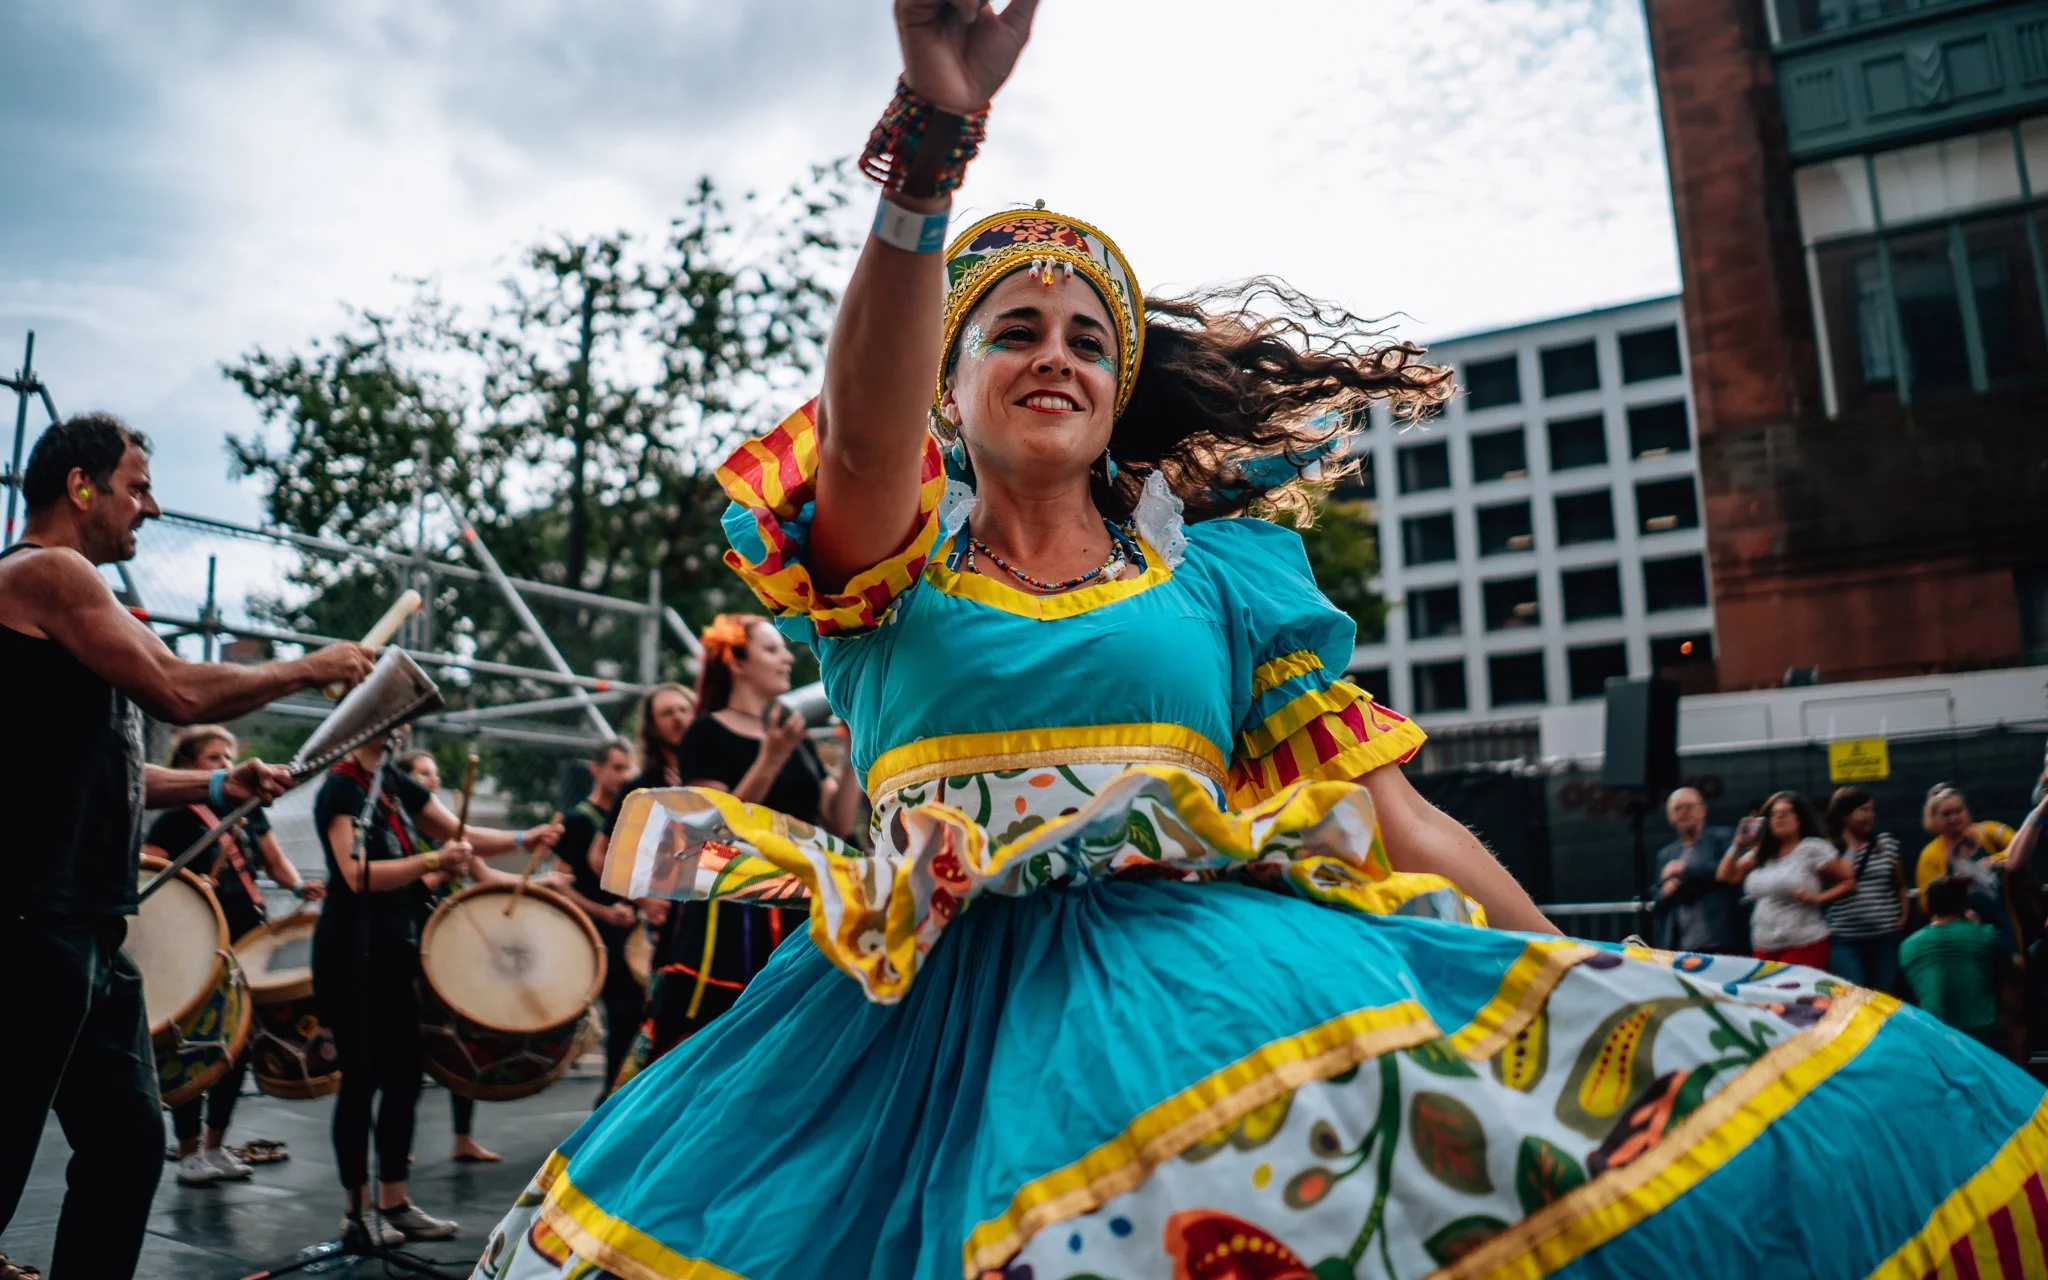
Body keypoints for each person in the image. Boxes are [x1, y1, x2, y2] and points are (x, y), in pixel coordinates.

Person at [471, 8, 2048, 1275]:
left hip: (1219, 991)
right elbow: (859, 430)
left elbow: (1394, 814)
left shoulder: (1220, 581)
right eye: (1011, 330)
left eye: (1090, 338)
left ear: (1116, 394)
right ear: (947, 394)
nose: (1056, 355)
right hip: (906, 1043)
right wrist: (932, 151)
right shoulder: (889, 568)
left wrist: (1546, 963)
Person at [0, 413, 372, 1280]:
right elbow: (176, 690)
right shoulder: (47, 572)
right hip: (29, 920)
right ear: (79, 487)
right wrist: (307, 667)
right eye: (136, 486)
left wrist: (215, 786)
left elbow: (111, 772)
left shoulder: (83, 597)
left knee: (130, 1145)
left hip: (87, 928)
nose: (152, 507)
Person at [315, 734, 561, 1247]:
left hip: (398, 948)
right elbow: (354, 873)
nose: (404, 730)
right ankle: (356, 1215)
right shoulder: (341, 786)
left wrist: (523, 838)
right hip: (349, 952)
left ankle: (395, 1203)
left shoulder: (395, 784)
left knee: (404, 1077)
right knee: (361, 1081)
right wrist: (432, 863)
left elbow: (459, 834)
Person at [614, 616, 859, 1086]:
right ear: (738, 662)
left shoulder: (797, 739)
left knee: (793, 1044)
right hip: (735, 913)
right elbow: (713, 831)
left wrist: (852, 752)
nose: (788, 657)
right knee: (716, 1041)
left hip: (799, 905)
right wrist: (769, 758)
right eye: (772, 650)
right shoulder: (707, 734)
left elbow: (838, 823)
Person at [143, 725, 326, 1187]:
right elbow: (149, 873)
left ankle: (215, 1145)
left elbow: (272, 858)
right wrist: (186, 883)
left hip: (244, 941)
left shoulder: (248, 812)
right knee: (195, 1046)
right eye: (212, 758)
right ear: (187, 767)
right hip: (197, 944)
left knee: (236, 1045)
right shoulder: (174, 819)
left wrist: (295, 885)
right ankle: (186, 1151)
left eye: (228, 756)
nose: (225, 764)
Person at [393, 748, 500, 1165]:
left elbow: (487, 877)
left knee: (462, 1038)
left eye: (435, 773)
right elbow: (405, 885)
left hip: (454, 947)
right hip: (413, 941)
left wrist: (545, 881)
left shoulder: (449, 836)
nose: (432, 780)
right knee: (410, 1048)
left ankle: (463, 1138)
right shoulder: (400, 831)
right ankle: (397, 1144)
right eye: (422, 773)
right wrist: (442, 870)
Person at [545, 739, 643, 1102]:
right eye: (616, 768)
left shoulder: (631, 816)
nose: (623, 776)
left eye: (627, 769)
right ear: (596, 770)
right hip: (596, 930)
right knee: (621, 1014)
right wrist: (604, 912)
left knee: (632, 1015)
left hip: (630, 927)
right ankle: (611, 1097)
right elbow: (561, 883)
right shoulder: (577, 821)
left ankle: (619, 1094)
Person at [1717, 790, 1854, 968]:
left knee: (1790, 996)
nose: (1779, 818)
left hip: (1804, 944)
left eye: (1785, 813)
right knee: (1764, 996)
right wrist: (1737, 843)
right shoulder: (1761, 853)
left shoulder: (1812, 848)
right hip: (1764, 946)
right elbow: (1725, 876)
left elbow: (1849, 882)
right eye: (1773, 815)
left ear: (1799, 819)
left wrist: (1818, 898)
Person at [1900, 875, 2020, 1057]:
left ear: (1927, 907)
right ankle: (2021, 1076)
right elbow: (2009, 995)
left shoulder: (1908, 946)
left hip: (1936, 1039)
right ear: (1964, 905)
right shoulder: (1985, 935)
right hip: (1985, 1039)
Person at [1819, 785, 1907, 993]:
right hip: (1844, 938)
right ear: (1844, 815)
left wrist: (1903, 914)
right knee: (1853, 994)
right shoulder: (1828, 850)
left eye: (1871, 810)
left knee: (1883, 994)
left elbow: (1900, 884)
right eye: (1863, 811)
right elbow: (1847, 880)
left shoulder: (1886, 845)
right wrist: (1850, 847)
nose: (1870, 816)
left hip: (1883, 936)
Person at [1917, 783, 2020, 947]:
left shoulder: (1986, 831)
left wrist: (1997, 859)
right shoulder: (1930, 855)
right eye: (1946, 814)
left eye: (1958, 811)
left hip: (2001, 921)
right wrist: (1950, 887)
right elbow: (1926, 903)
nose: (1954, 818)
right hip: (1961, 933)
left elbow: (2019, 842)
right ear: (1933, 818)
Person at [1651, 786, 1744, 954]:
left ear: (1703, 810)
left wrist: (1685, 869)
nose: (1683, 812)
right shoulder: (1665, 854)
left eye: (1688, 806)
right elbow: (1657, 904)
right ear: (1670, 816)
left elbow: (1726, 873)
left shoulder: (1723, 838)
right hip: (1681, 947)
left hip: (1721, 942)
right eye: (1677, 808)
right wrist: (1665, 892)